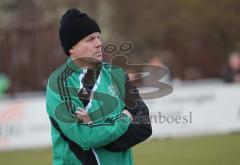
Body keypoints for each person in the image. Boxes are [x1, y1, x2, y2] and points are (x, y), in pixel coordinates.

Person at [46, 8, 152, 165]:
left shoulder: (115, 74)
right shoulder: (59, 83)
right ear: (71, 48)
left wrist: (100, 132)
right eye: (90, 39)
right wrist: (124, 117)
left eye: (98, 37)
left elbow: (144, 125)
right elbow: (85, 136)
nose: (99, 43)